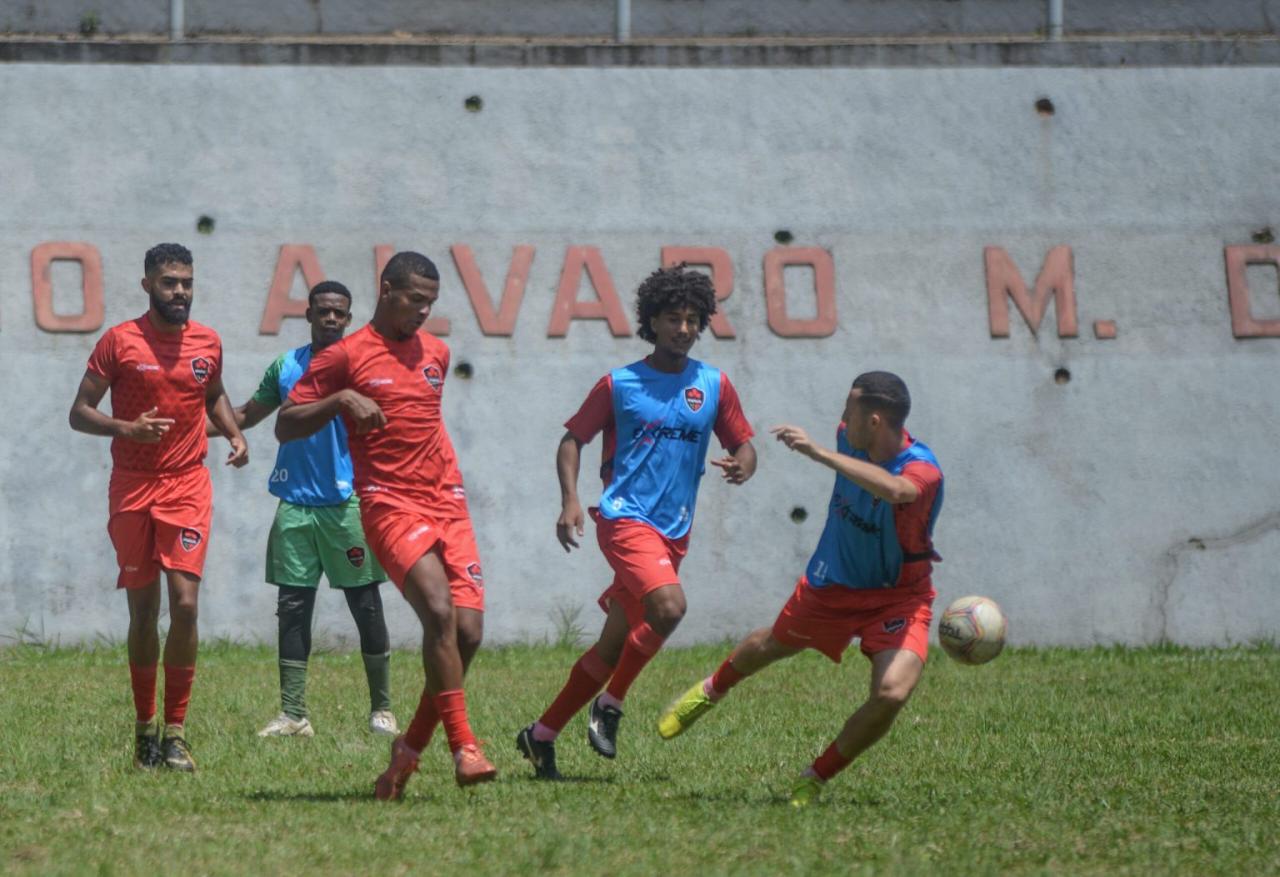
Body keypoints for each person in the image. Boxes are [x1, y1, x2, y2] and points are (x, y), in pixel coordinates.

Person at [656, 371, 944, 807]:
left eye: (851, 407)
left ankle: (815, 776)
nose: (842, 414)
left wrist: (820, 454)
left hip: (898, 596)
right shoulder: (850, 435)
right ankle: (711, 689)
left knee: (891, 694)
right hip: (831, 587)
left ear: (875, 421)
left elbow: (898, 491)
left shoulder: (922, 469)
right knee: (772, 645)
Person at [515, 265, 757, 780]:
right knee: (669, 607)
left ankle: (541, 736)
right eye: (673, 318)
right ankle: (612, 704)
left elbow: (744, 445)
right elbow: (571, 440)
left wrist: (743, 465)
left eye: (693, 319)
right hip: (625, 520)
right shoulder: (619, 383)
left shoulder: (713, 385)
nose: (684, 329)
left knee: (611, 647)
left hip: (674, 533)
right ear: (652, 321)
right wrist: (571, 501)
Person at [277, 251, 495, 799]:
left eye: (431, 303)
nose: (423, 311)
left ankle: (406, 754)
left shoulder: (437, 354)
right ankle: (464, 746)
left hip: (447, 500)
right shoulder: (345, 356)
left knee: (467, 634)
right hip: (387, 503)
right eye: (414, 299)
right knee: (438, 611)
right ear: (386, 288)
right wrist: (339, 399)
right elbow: (284, 425)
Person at [69, 243, 249, 772]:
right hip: (131, 486)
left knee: (186, 605)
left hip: (187, 485)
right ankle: (144, 730)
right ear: (147, 284)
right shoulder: (119, 341)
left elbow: (212, 392)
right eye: (170, 282)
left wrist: (235, 435)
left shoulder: (208, 341)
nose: (180, 293)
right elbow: (79, 412)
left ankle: (176, 734)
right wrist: (126, 429)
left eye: (187, 283)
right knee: (144, 612)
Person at [209, 280, 398, 739]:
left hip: (347, 504)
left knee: (366, 605)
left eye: (340, 312)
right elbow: (251, 413)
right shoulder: (287, 366)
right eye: (323, 311)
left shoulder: (364, 366)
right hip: (294, 504)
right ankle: (294, 715)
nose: (331, 318)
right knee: (292, 607)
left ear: (350, 319)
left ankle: (383, 711)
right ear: (309, 314)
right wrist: (194, 426)